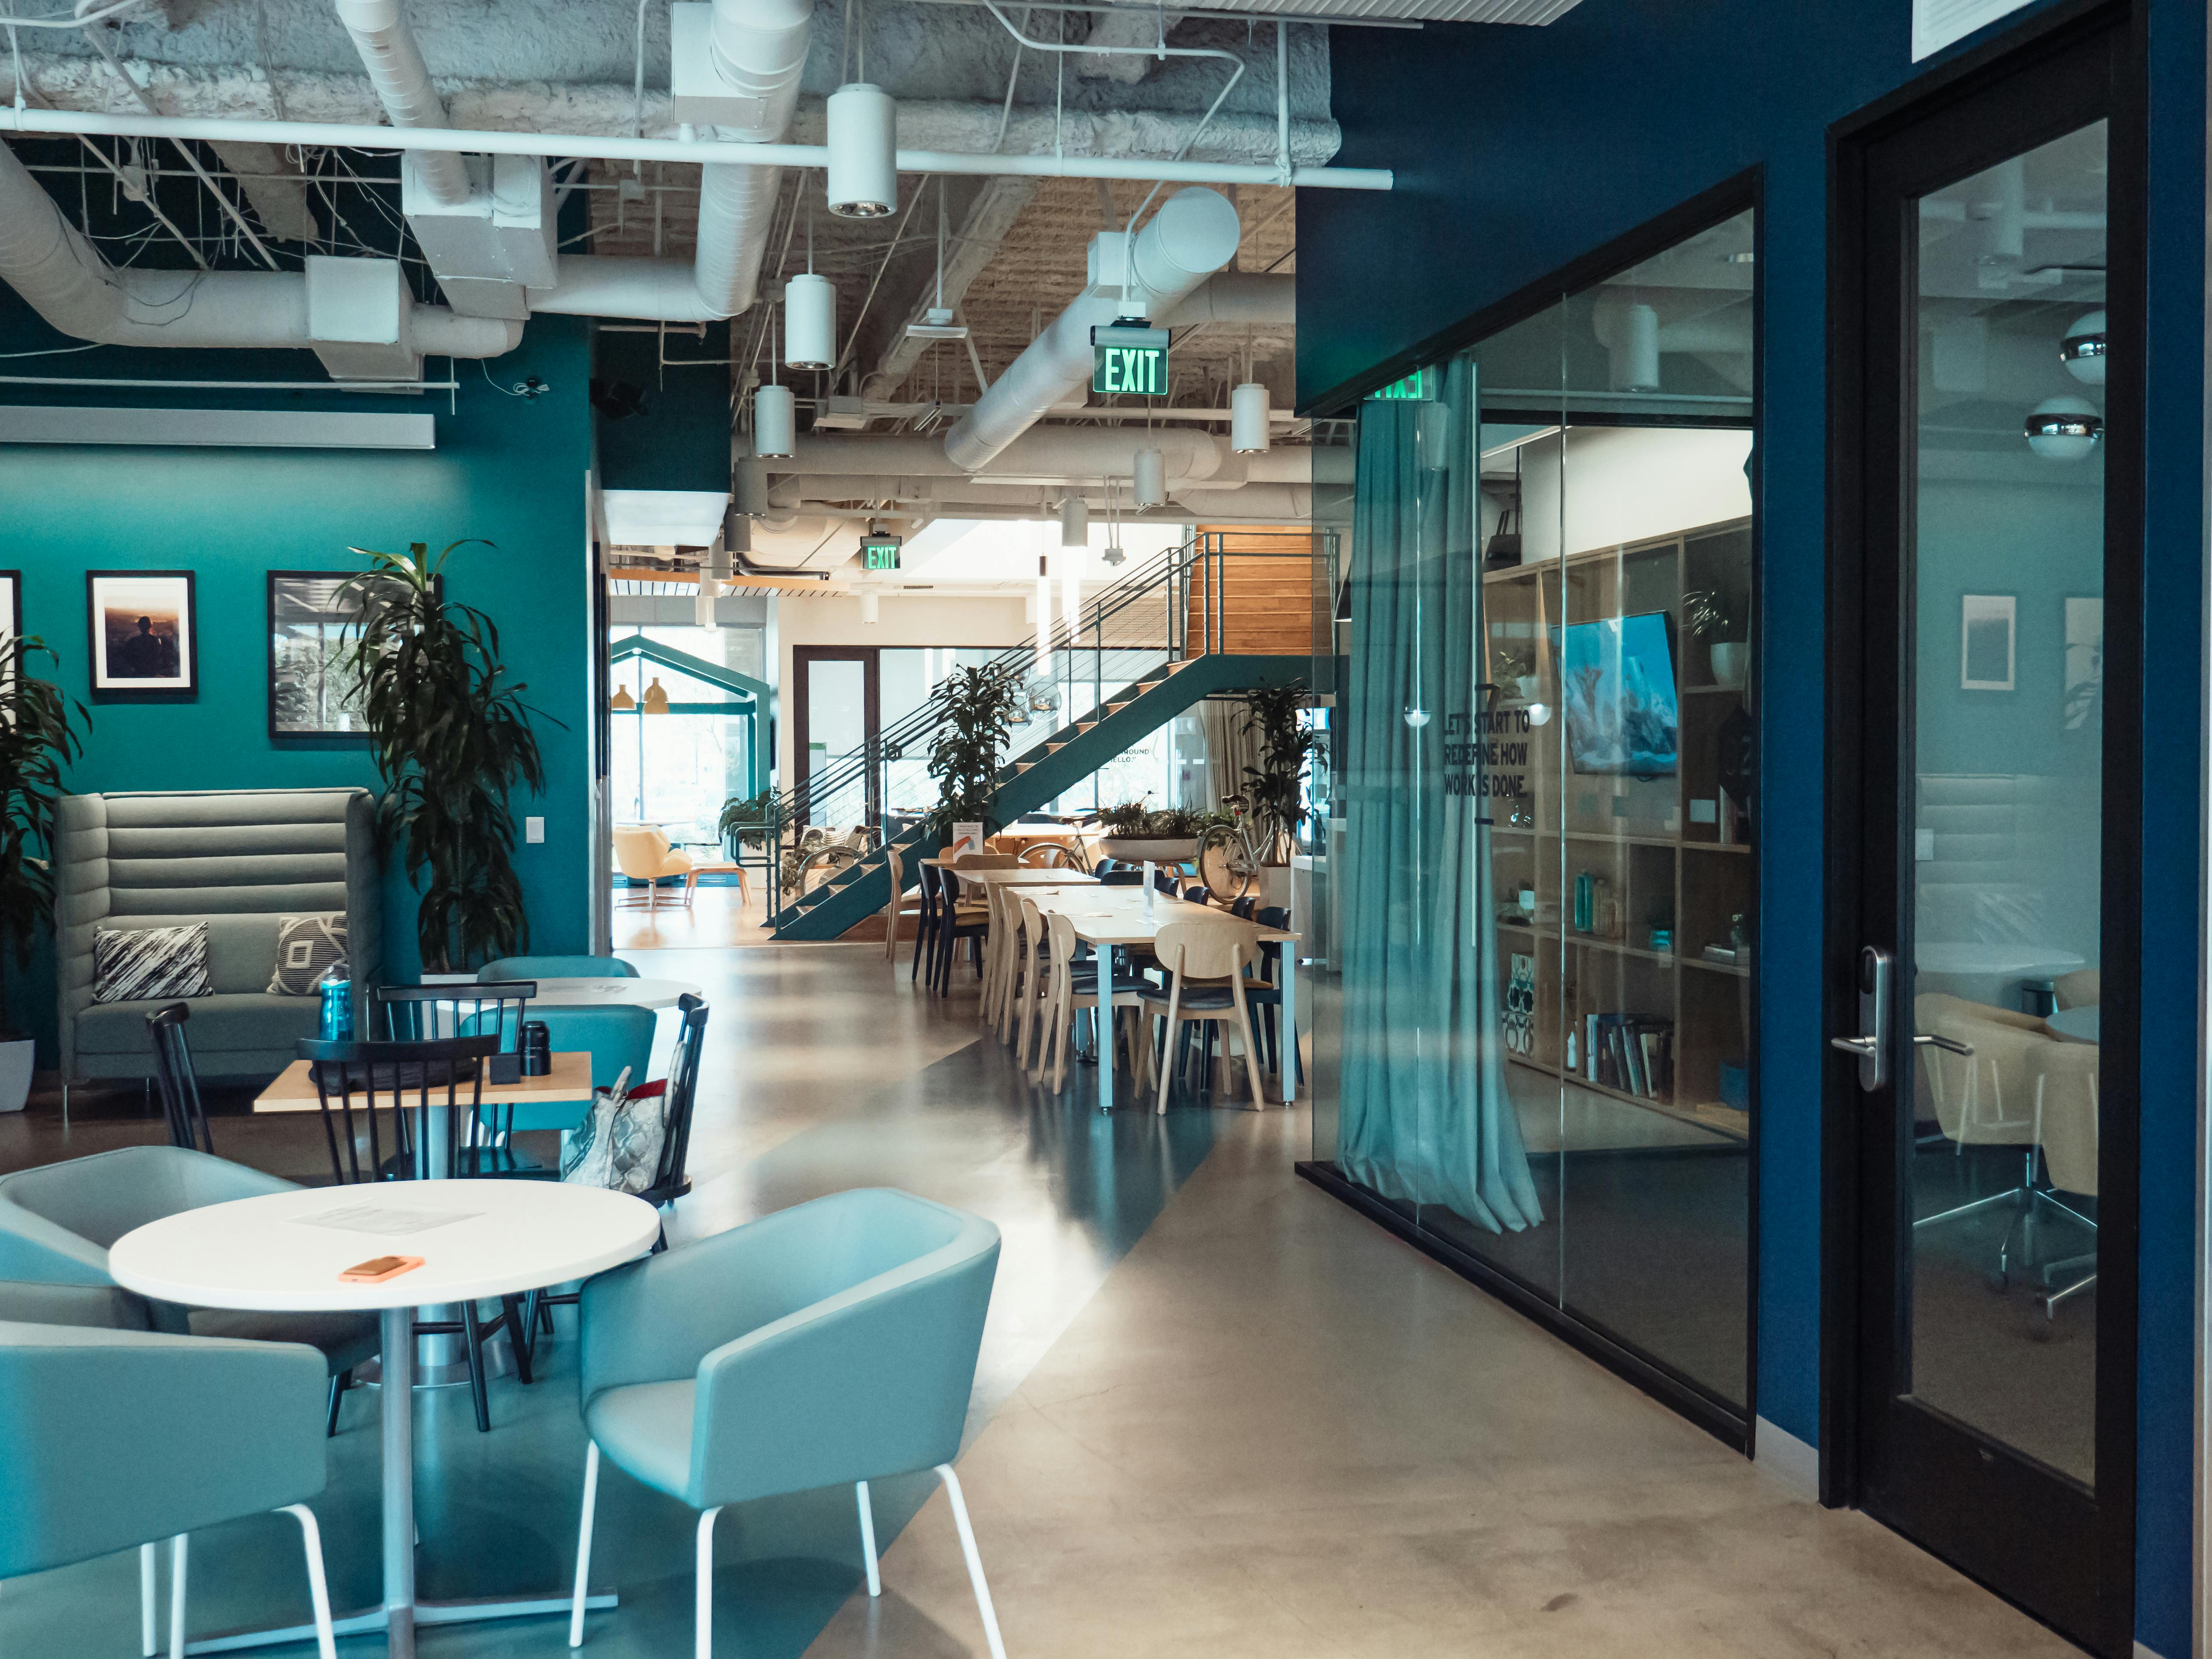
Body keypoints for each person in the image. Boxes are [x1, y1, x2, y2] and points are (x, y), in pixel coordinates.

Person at [109, 614, 177, 679]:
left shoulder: (133, 641)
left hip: (138, 671)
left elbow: (127, 657)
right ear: (151, 626)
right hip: (152, 672)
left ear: (139, 626)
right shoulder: (156, 641)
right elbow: (158, 657)